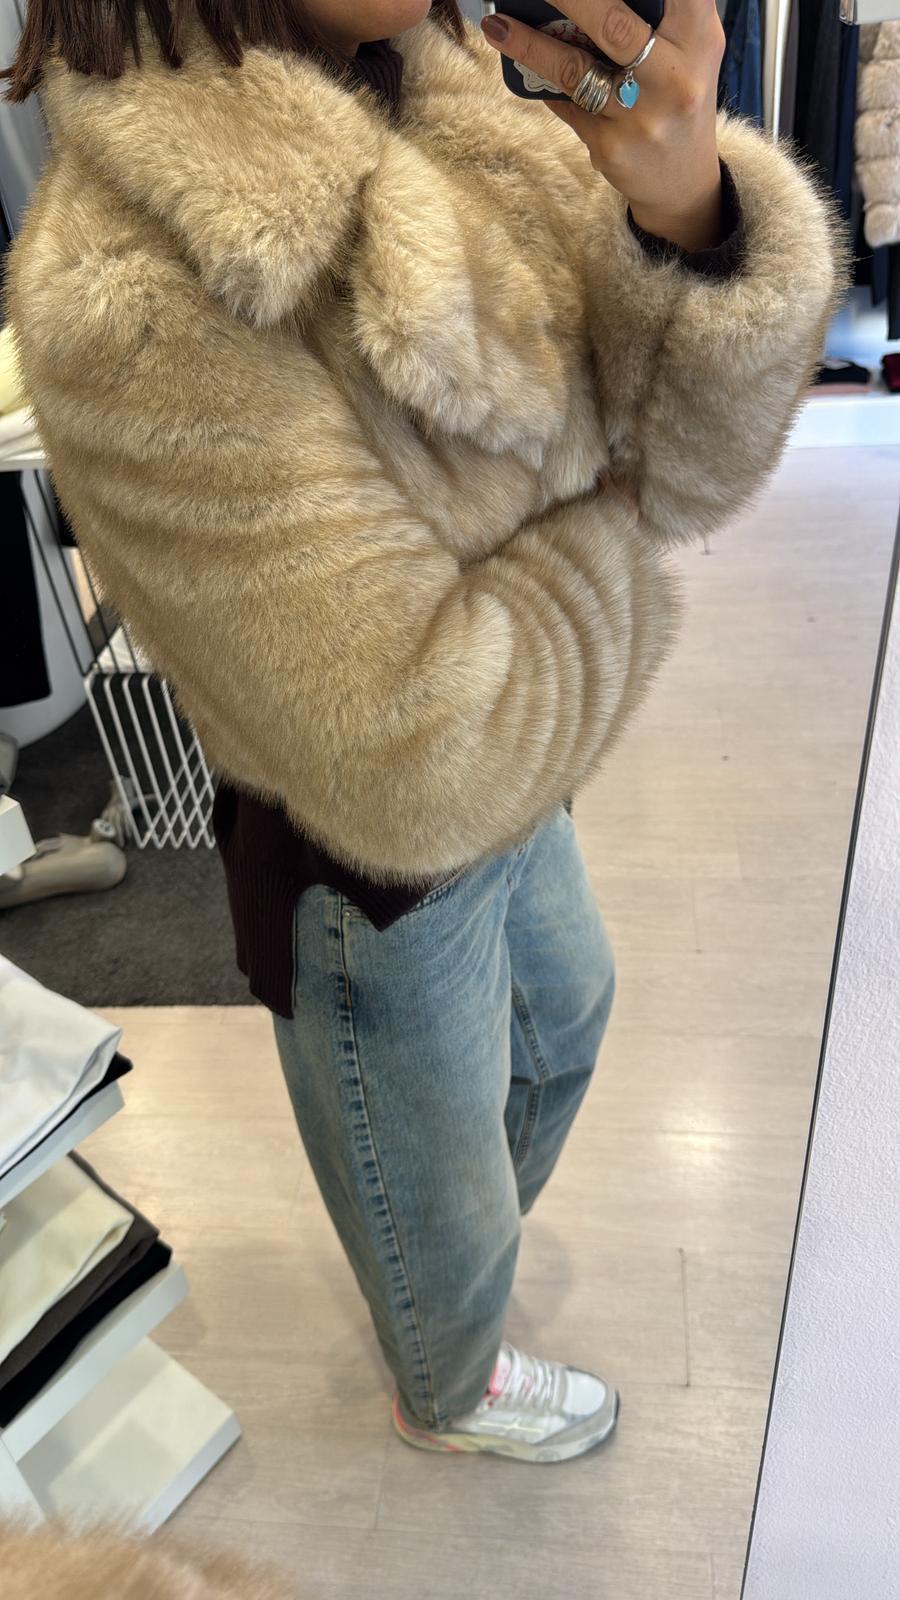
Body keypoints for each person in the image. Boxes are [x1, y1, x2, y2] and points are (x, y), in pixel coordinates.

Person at [6, 0, 844, 1465]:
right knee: (435, 1182)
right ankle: (446, 1385)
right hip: (365, 865)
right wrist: (603, 535)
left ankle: (453, 1265)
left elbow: (683, 467)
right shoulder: (129, 285)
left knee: (565, 1025)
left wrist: (691, 219)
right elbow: (411, 747)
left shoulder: (451, 81)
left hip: (529, 755)